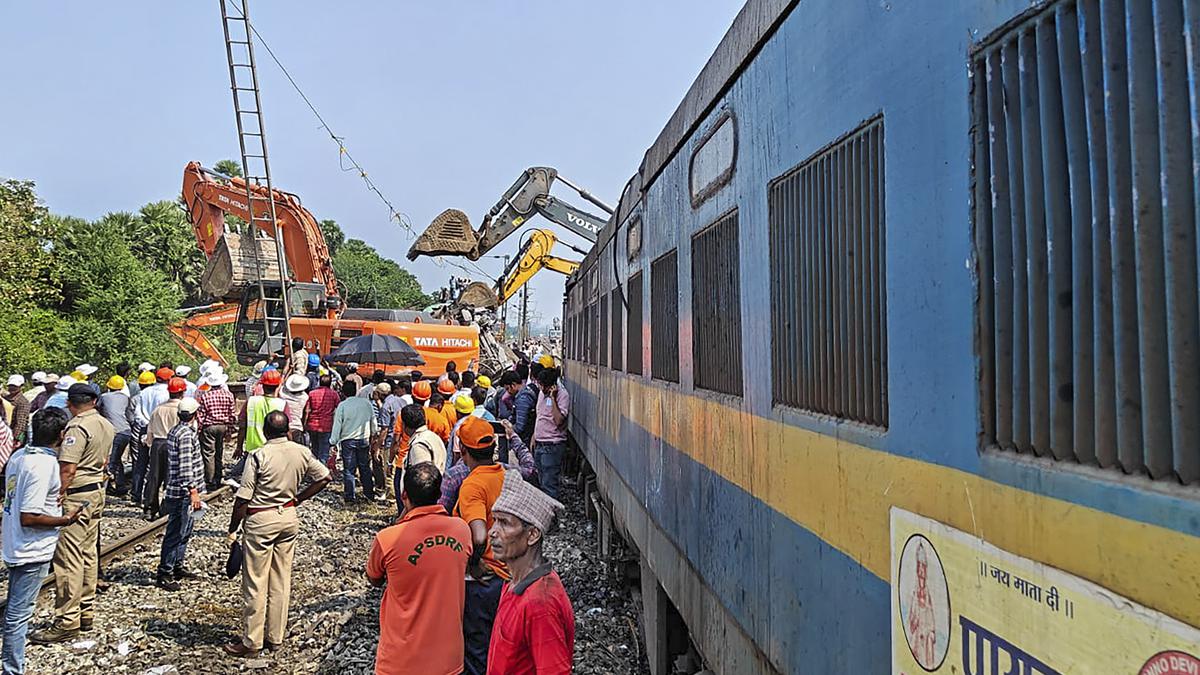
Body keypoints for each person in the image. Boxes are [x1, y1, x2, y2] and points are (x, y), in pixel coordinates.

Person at [224, 412, 331, 657]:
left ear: (264, 431)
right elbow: (325, 477)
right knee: (281, 579)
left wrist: (233, 527)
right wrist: (299, 499)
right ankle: (276, 637)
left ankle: (252, 641)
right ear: (288, 432)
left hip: (261, 520)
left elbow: (243, 498)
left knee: (255, 582)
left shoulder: (259, 455)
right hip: (288, 518)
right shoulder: (301, 451)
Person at [367, 462, 471, 675]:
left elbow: (374, 578)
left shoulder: (387, 539)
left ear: (404, 495)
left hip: (400, 661)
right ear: (439, 493)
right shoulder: (462, 530)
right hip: (448, 658)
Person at [2, 409, 84, 674]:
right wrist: (66, 519)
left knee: (17, 608)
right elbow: (30, 516)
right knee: (18, 613)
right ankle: (12, 669)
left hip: (14, 541)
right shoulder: (45, 465)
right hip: (32, 547)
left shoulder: (20, 456)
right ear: (61, 435)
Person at [30, 384, 113, 645]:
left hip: (76, 496)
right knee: (88, 553)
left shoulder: (78, 427)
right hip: (96, 491)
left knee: (68, 559)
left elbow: (67, 468)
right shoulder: (105, 424)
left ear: (70, 403)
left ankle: (67, 620)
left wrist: (57, 495)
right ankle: (85, 611)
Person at [486, 469, 573, 675]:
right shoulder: (513, 584)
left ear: (532, 535)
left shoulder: (539, 604)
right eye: (495, 520)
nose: (492, 531)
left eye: (505, 523)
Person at [453, 416, 511, 675]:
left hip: (484, 583)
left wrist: (475, 563)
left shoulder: (473, 485)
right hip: (510, 575)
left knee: (477, 652)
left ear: (463, 451)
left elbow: (478, 535)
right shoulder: (505, 475)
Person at [156, 398, 205, 591]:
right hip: (183, 492)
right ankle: (165, 571)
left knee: (184, 530)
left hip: (180, 490)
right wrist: (193, 491)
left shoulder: (177, 430)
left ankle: (177, 564)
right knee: (177, 532)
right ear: (195, 414)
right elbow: (186, 466)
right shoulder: (185, 434)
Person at [439, 419, 536, 513]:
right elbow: (529, 469)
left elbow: (442, 512)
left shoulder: (453, 476)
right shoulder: (507, 471)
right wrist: (513, 436)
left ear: (462, 448)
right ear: (494, 446)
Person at [143, 378, 187, 519]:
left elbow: (150, 430)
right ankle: (167, 507)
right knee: (172, 476)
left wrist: (151, 444)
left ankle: (149, 508)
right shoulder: (182, 409)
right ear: (182, 392)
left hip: (158, 443)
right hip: (174, 444)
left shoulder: (158, 409)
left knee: (154, 476)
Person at [330, 381, 377, 504]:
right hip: (364, 439)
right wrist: (373, 433)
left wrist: (333, 441)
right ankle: (369, 494)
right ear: (356, 390)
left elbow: (337, 424)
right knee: (365, 468)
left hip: (348, 440)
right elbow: (373, 421)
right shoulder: (366, 403)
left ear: (344, 392)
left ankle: (350, 497)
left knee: (349, 470)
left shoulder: (343, 405)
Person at [232, 370, 286, 478]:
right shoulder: (282, 404)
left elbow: (242, 427)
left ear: (262, 384)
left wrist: (239, 447)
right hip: (274, 451)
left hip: (252, 449)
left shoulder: (251, 401)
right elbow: (287, 431)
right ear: (277, 386)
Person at [531, 368, 570, 500]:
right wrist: (534, 436)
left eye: (543, 386)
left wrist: (553, 398)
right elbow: (540, 415)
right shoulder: (542, 393)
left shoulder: (562, 395)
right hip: (540, 442)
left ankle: (551, 514)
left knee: (549, 483)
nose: (541, 388)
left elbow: (559, 420)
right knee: (541, 479)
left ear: (552, 386)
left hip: (552, 445)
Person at [196, 370, 235, 492]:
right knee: (219, 452)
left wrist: (199, 429)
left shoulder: (205, 396)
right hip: (222, 426)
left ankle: (210, 481)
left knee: (208, 454)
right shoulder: (228, 395)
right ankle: (218, 478)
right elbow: (232, 415)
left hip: (209, 427)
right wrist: (230, 429)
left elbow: (201, 415)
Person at [98, 376, 131, 498]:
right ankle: (120, 486)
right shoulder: (126, 398)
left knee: (110, 461)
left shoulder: (103, 397)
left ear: (108, 386)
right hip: (126, 431)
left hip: (113, 432)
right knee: (116, 459)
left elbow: (98, 410)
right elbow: (129, 414)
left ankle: (103, 489)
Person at [302, 374, 338, 466]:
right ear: (330, 383)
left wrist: (304, 424)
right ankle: (321, 473)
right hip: (326, 426)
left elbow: (307, 411)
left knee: (314, 449)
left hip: (312, 425)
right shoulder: (334, 394)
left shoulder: (311, 393)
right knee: (324, 451)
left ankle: (314, 472)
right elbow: (338, 407)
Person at [512, 364, 542, 446]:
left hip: (526, 438)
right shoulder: (531, 390)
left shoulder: (522, 398)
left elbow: (520, 426)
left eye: (507, 389)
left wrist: (508, 428)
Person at [279, 374, 310, 443]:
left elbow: (280, 386)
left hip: (283, 426)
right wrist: (304, 426)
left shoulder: (282, 394)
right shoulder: (304, 398)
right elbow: (306, 413)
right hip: (297, 426)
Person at [3, 376, 30, 450]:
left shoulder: (23, 402)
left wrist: (15, 439)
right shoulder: (5, 399)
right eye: (10, 386)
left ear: (21, 386)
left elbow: (20, 423)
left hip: (12, 435)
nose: (12, 388)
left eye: (14, 386)